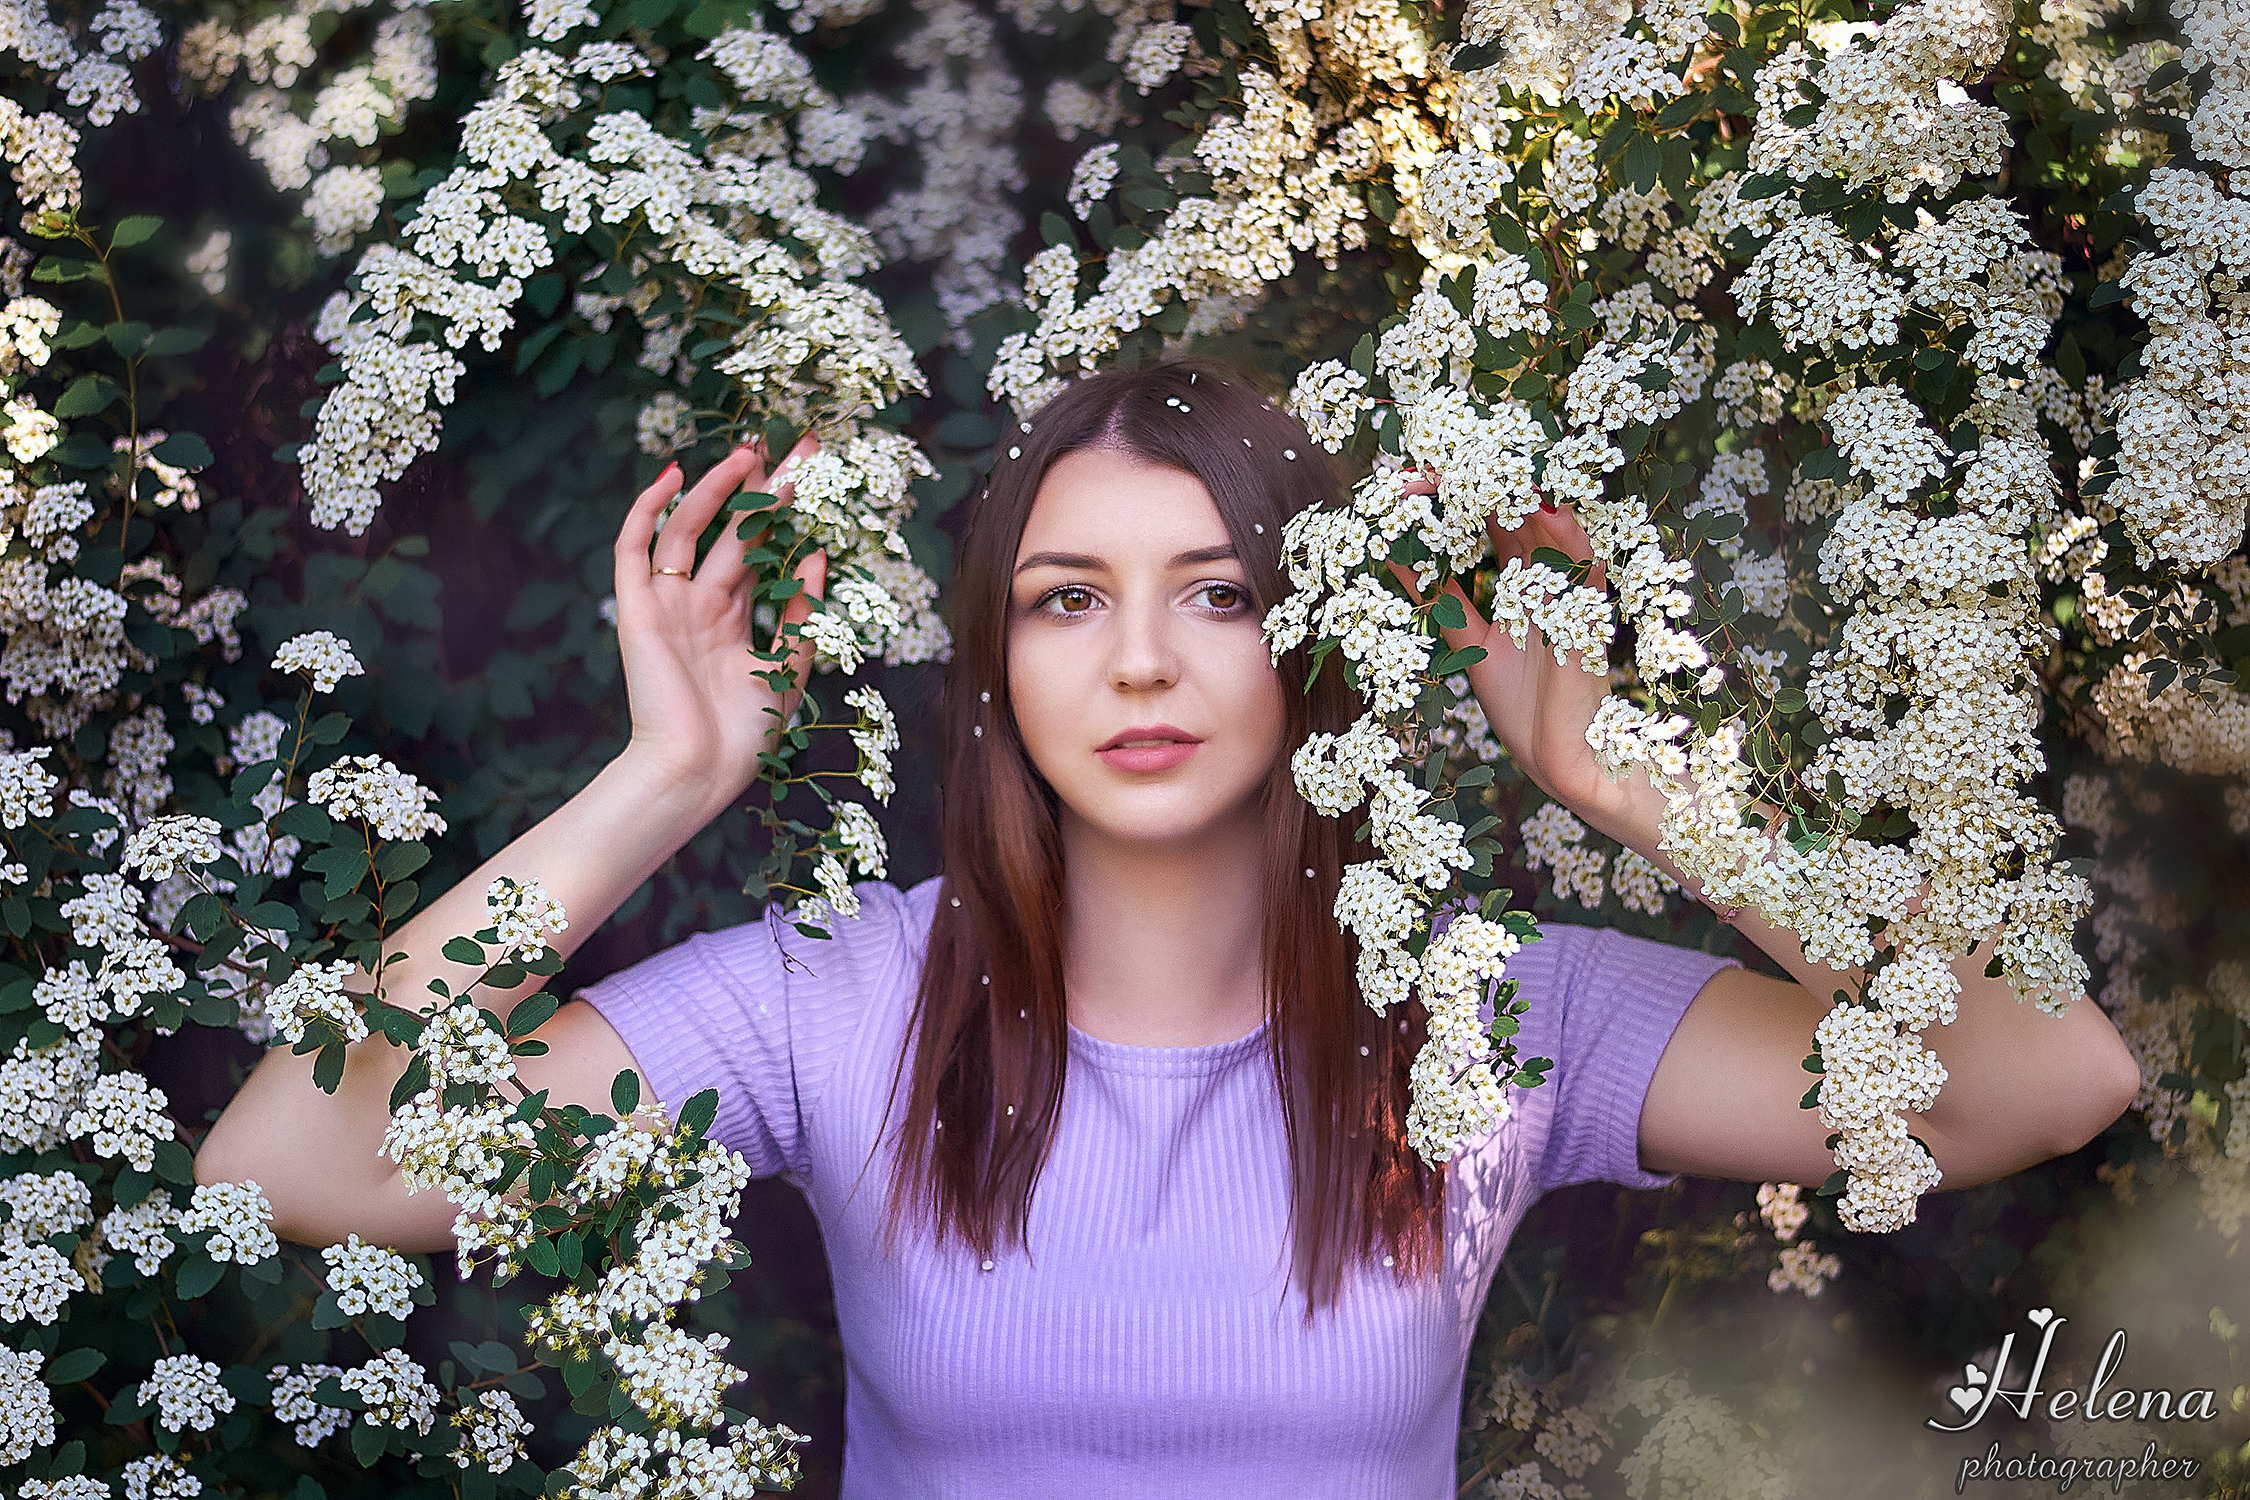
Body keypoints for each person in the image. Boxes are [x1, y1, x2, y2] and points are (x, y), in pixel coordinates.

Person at [199, 354, 2143, 1498]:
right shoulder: (836, 999)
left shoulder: (1487, 1015)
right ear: (997, 658)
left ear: (1319, 637)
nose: (1139, 661)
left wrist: (1628, 775)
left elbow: (2040, 1079)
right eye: (1068, 598)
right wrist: (669, 776)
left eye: (1218, 593)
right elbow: (295, 1160)